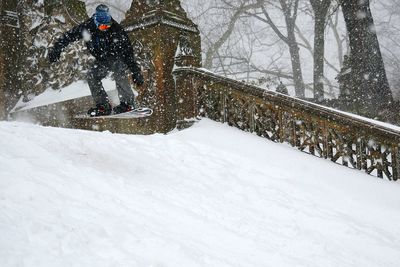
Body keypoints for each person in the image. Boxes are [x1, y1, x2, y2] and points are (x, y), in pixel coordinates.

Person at [48, 4, 144, 116]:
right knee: (92, 75)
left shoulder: (116, 30)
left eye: (107, 26)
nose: (105, 29)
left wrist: (136, 72)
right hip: (102, 60)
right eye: (103, 27)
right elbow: (68, 36)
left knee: (118, 70)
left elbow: (128, 53)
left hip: (117, 57)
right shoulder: (87, 27)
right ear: (96, 22)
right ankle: (103, 106)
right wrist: (56, 49)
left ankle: (128, 104)